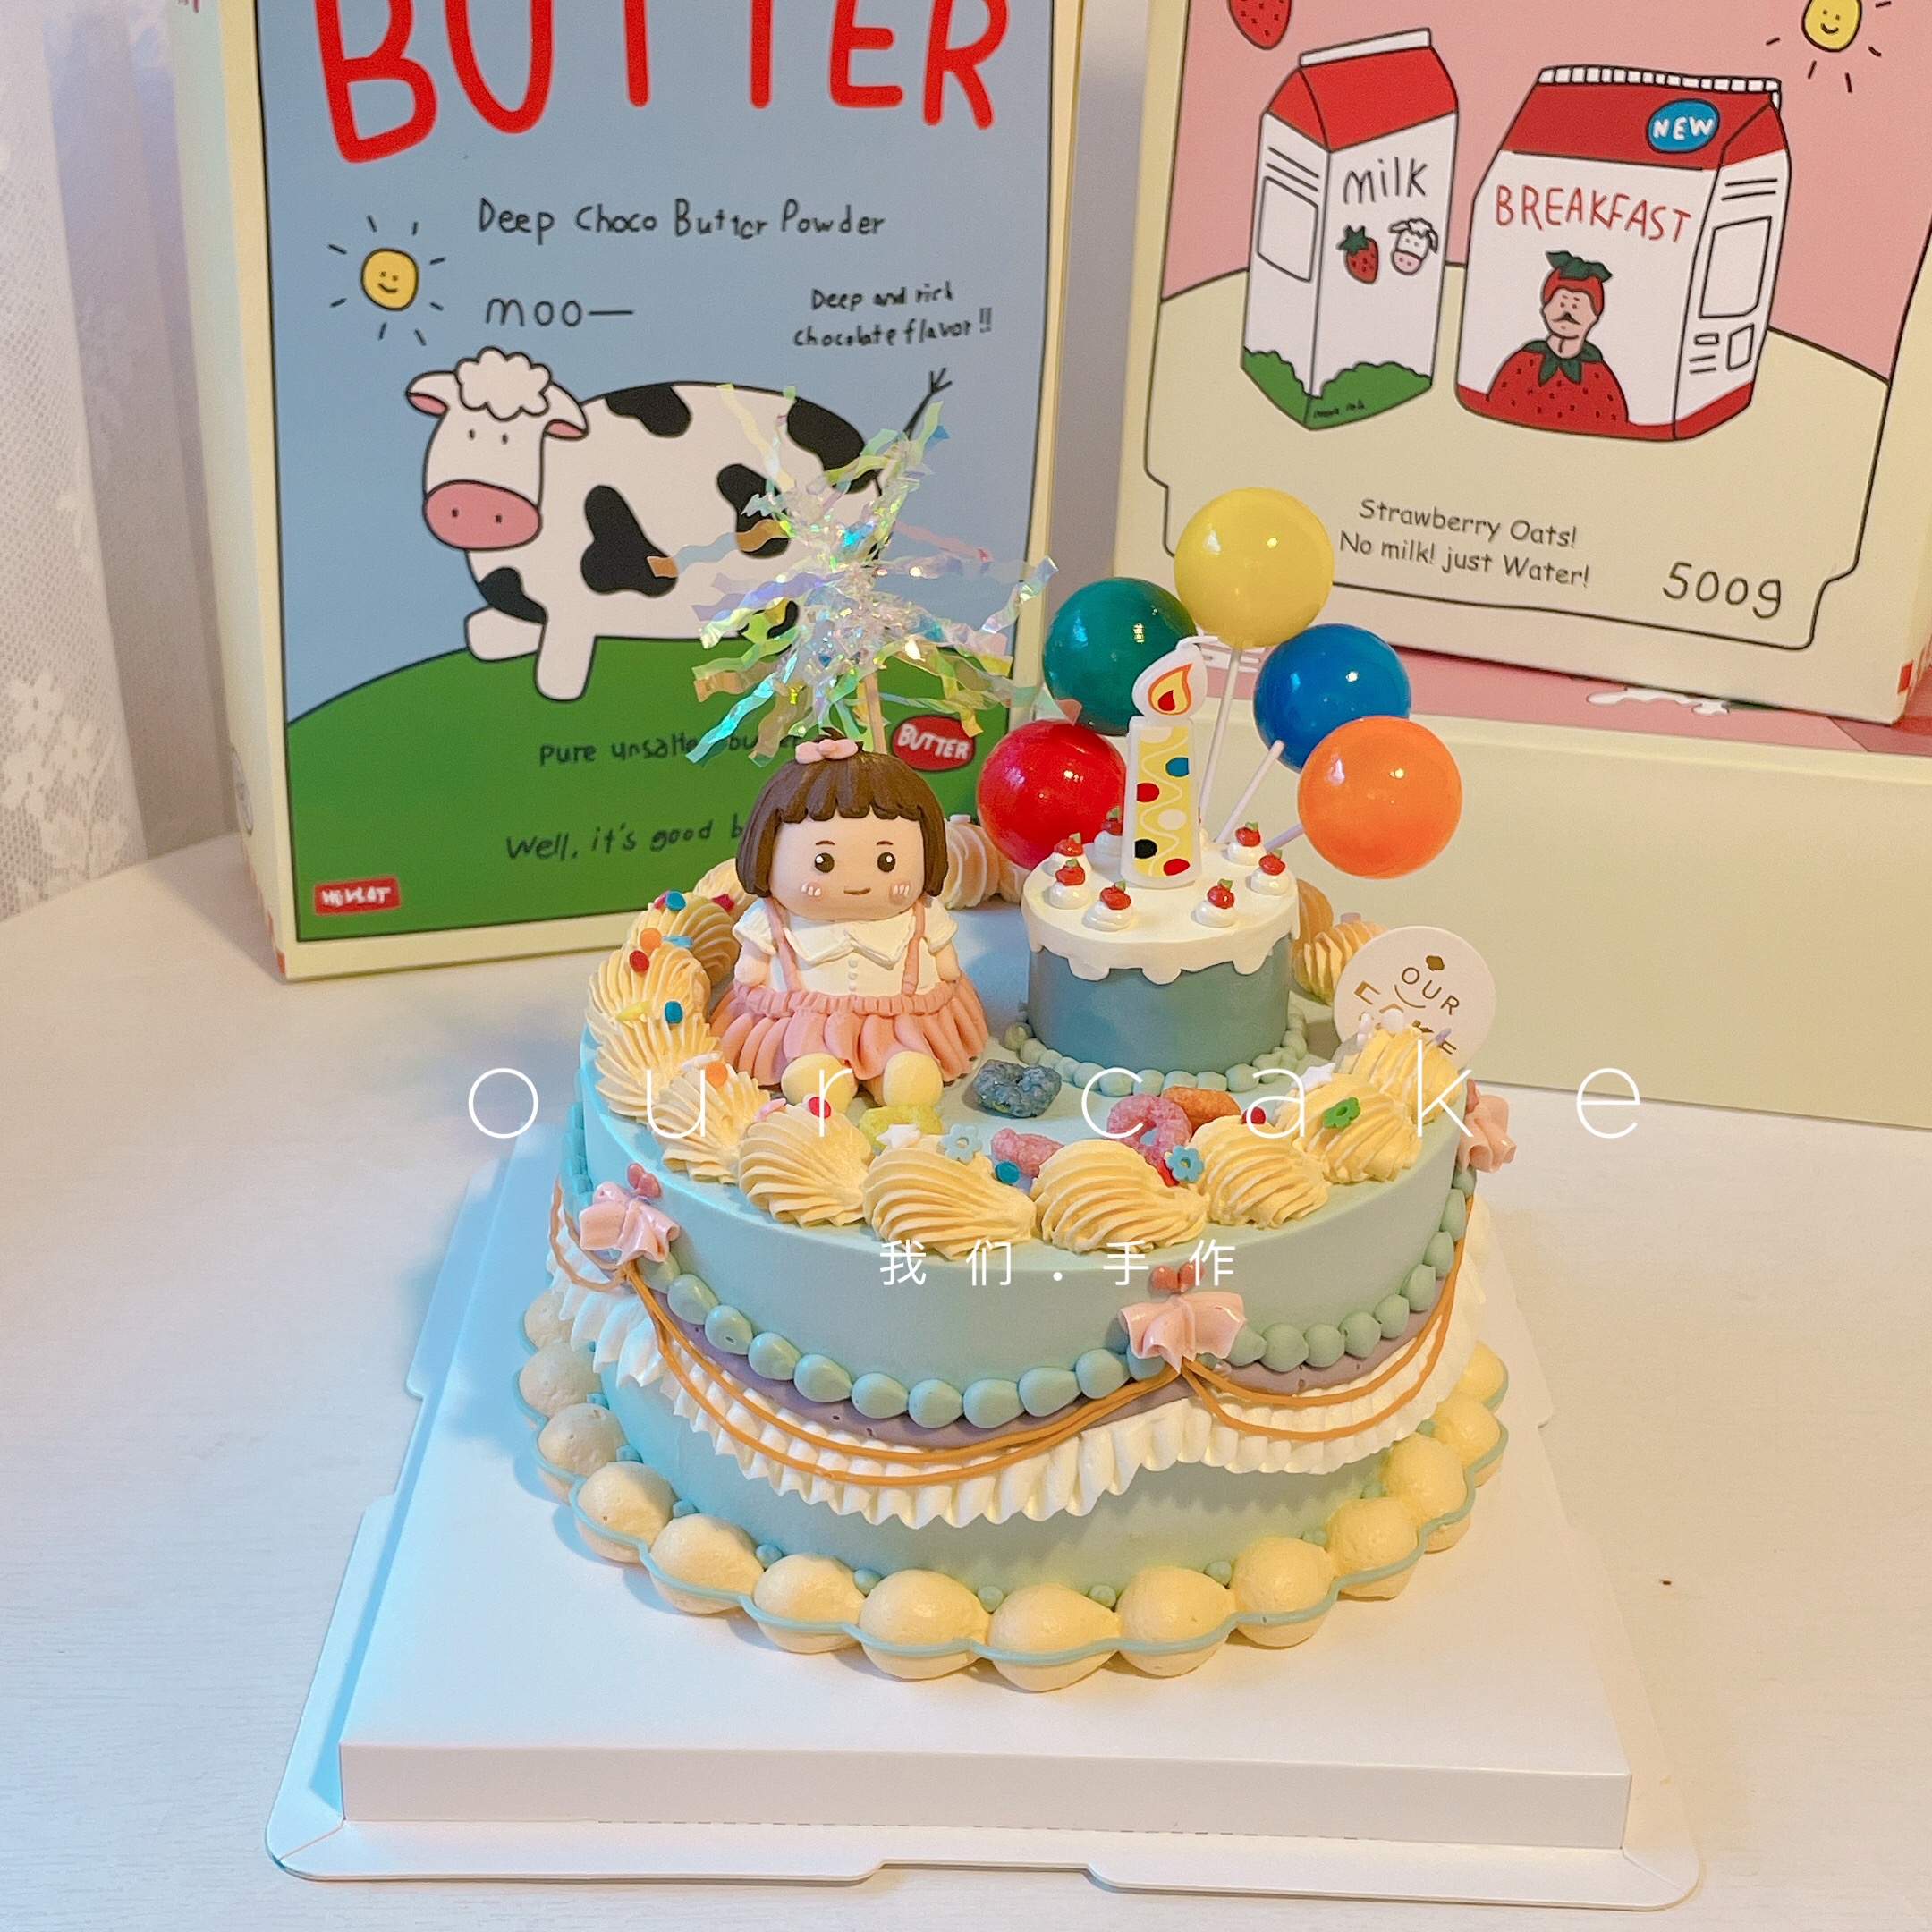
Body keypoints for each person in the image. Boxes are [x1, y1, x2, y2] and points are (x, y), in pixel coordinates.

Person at [714, 737, 988, 1091]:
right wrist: (753, 963)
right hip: (801, 1019)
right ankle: (816, 1070)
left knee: (904, 1059)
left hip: (902, 1016)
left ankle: (903, 1070)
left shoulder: (920, 914)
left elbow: (945, 963)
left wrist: (944, 963)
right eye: (822, 862)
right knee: (811, 1058)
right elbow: (751, 969)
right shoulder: (776, 919)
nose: (857, 883)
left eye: (886, 861)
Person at [1479, 250, 1631, 434]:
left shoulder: (1599, 377)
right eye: (1562, 302)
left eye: (1577, 304)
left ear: (1595, 317)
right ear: (1545, 308)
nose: (1568, 311)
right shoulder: (1523, 362)